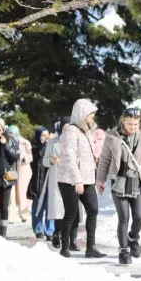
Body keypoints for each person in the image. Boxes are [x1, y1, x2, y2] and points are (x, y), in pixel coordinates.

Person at [97, 108, 141, 265]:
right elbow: (105, 159)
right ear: (123, 121)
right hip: (119, 181)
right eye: (130, 124)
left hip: (138, 181)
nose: (133, 127)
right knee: (124, 217)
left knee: (140, 217)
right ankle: (123, 251)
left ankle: (133, 238)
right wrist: (100, 180)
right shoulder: (112, 136)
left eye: (136, 124)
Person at [58, 99, 106, 258]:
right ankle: (65, 247)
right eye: (90, 114)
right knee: (71, 213)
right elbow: (69, 157)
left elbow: (89, 157)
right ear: (82, 113)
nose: (93, 117)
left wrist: (97, 179)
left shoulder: (86, 131)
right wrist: (77, 180)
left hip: (88, 178)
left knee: (93, 209)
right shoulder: (71, 131)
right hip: (70, 179)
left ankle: (91, 248)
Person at [43, 116, 79, 250]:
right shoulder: (53, 142)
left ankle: (73, 239)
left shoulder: (78, 141)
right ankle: (57, 233)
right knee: (59, 209)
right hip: (58, 178)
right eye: (65, 127)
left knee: (74, 209)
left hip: (74, 178)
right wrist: (51, 161)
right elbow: (44, 161)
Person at [28, 126, 55, 240]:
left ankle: (50, 231)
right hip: (38, 182)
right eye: (43, 135)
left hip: (51, 181)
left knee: (50, 207)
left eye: (47, 135)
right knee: (38, 208)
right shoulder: (35, 149)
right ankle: (38, 229)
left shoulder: (53, 147)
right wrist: (46, 145)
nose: (46, 137)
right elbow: (40, 158)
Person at [8, 125, 33, 222]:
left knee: (22, 192)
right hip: (11, 169)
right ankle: (12, 216)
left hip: (23, 169)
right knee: (11, 192)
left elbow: (31, 157)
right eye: (9, 133)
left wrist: (23, 156)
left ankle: (24, 214)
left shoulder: (25, 142)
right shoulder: (6, 142)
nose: (11, 135)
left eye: (12, 133)